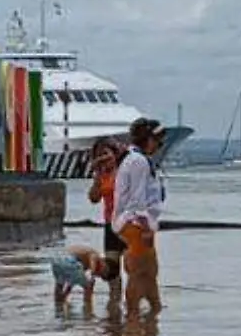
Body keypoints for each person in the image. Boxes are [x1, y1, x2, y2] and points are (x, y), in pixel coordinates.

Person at [112, 118, 168, 316]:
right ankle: (133, 316)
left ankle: (155, 312)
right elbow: (137, 200)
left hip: (138, 223)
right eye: (157, 140)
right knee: (138, 272)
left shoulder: (137, 159)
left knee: (150, 272)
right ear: (147, 139)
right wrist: (144, 227)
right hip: (135, 223)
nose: (160, 145)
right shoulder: (138, 162)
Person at [87, 138, 126, 270]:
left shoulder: (125, 171)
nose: (102, 158)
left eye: (105, 153)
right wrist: (97, 174)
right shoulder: (101, 175)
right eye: (98, 156)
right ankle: (114, 292)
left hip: (129, 224)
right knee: (112, 271)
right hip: (110, 224)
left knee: (133, 268)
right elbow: (94, 199)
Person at [50, 243, 118, 307]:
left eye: (100, 276)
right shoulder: (96, 254)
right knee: (88, 286)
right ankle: (88, 308)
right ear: (104, 262)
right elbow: (93, 259)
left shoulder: (82, 264)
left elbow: (73, 279)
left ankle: (58, 305)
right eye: (103, 271)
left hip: (57, 260)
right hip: (69, 259)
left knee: (60, 284)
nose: (98, 274)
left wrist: (67, 292)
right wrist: (92, 273)